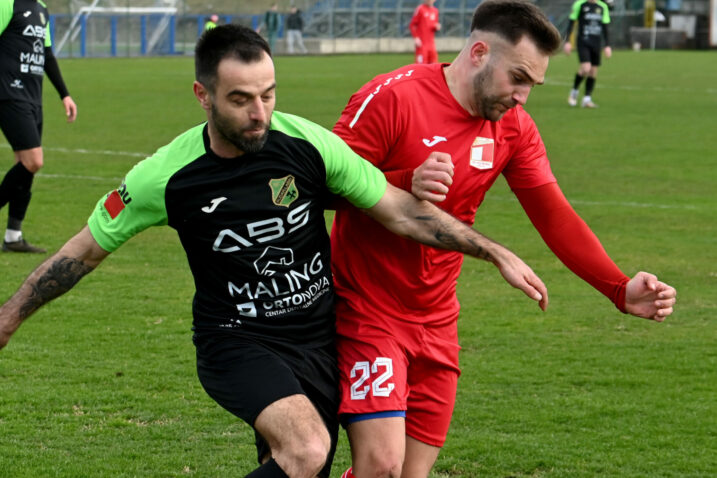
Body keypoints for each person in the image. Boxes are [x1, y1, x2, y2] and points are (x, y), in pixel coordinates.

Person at [0, 24, 549, 478]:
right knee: (307, 448)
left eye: (268, 94)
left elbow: (402, 210)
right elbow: (81, 253)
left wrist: (494, 252)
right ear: (203, 95)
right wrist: (8, 318)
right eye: (240, 99)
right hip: (237, 341)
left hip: (319, 338)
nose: (259, 113)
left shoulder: (307, 144)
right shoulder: (164, 178)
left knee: (299, 464)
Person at [330, 1, 677, 477]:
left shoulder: (513, 128)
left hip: (437, 319)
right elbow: (320, 187)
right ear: (477, 53)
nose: (522, 96)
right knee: (382, 465)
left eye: (532, 84)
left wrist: (617, 288)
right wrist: (404, 179)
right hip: (367, 308)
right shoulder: (393, 98)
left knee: (409, 475)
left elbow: (553, 215)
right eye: (516, 78)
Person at [0, 0, 78, 253]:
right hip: (9, 93)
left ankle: (13, 236)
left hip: (34, 97)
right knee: (33, 161)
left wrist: (64, 94)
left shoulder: (41, 9)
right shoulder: (7, 4)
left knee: (24, 165)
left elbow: (46, 55)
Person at [564, 0, 612, 108]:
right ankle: (574, 92)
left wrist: (607, 45)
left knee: (593, 71)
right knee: (586, 68)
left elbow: (605, 28)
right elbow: (571, 23)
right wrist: (567, 42)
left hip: (596, 43)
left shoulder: (603, 6)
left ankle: (587, 99)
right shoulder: (579, 4)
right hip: (583, 42)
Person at [409, 0, 441, 64]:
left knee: (433, 65)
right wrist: (416, 37)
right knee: (421, 65)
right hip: (422, 43)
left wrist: (436, 27)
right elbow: (412, 25)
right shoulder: (420, 9)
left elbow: (433, 25)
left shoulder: (435, 11)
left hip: (431, 44)